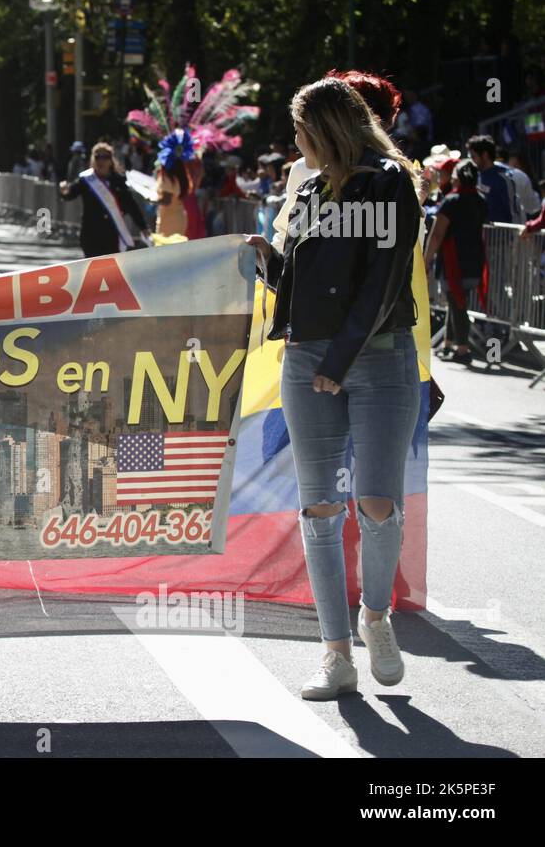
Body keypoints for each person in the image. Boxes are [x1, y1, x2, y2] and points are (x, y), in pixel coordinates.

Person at [245, 77, 423, 702]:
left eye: (299, 131)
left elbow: (383, 281)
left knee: (376, 501)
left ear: (324, 129)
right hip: (308, 359)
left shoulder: (391, 183)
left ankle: (376, 617)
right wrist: (268, 260)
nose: (294, 144)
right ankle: (335, 653)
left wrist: (340, 360)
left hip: (378, 359)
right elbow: (301, 279)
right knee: (319, 508)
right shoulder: (312, 189)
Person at [273, 69, 403, 253]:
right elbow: (286, 239)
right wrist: (268, 262)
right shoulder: (306, 173)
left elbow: (394, 256)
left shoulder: (389, 177)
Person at [423, 160, 487, 364]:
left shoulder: (452, 201)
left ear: (457, 178)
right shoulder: (480, 200)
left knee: (458, 304)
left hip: (453, 262)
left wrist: (426, 260)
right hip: (474, 259)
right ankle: (448, 344)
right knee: (455, 302)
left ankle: (462, 349)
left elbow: (437, 234)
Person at [59, 141, 147, 256]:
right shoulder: (86, 180)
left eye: (105, 157)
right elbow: (70, 194)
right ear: (92, 159)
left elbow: (130, 204)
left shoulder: (118, 180)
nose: (101, 160)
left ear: (111, 160)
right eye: (97, 157)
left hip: (111, 234)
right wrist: (64, 191)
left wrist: (143, 226)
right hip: (91, 234)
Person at [465, 135, 522, 224]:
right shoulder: (473, 176)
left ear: (484, 155)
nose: (471, 161)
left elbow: (513, 212)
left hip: (501, 235)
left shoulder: (504, 178)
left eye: (473, 157)